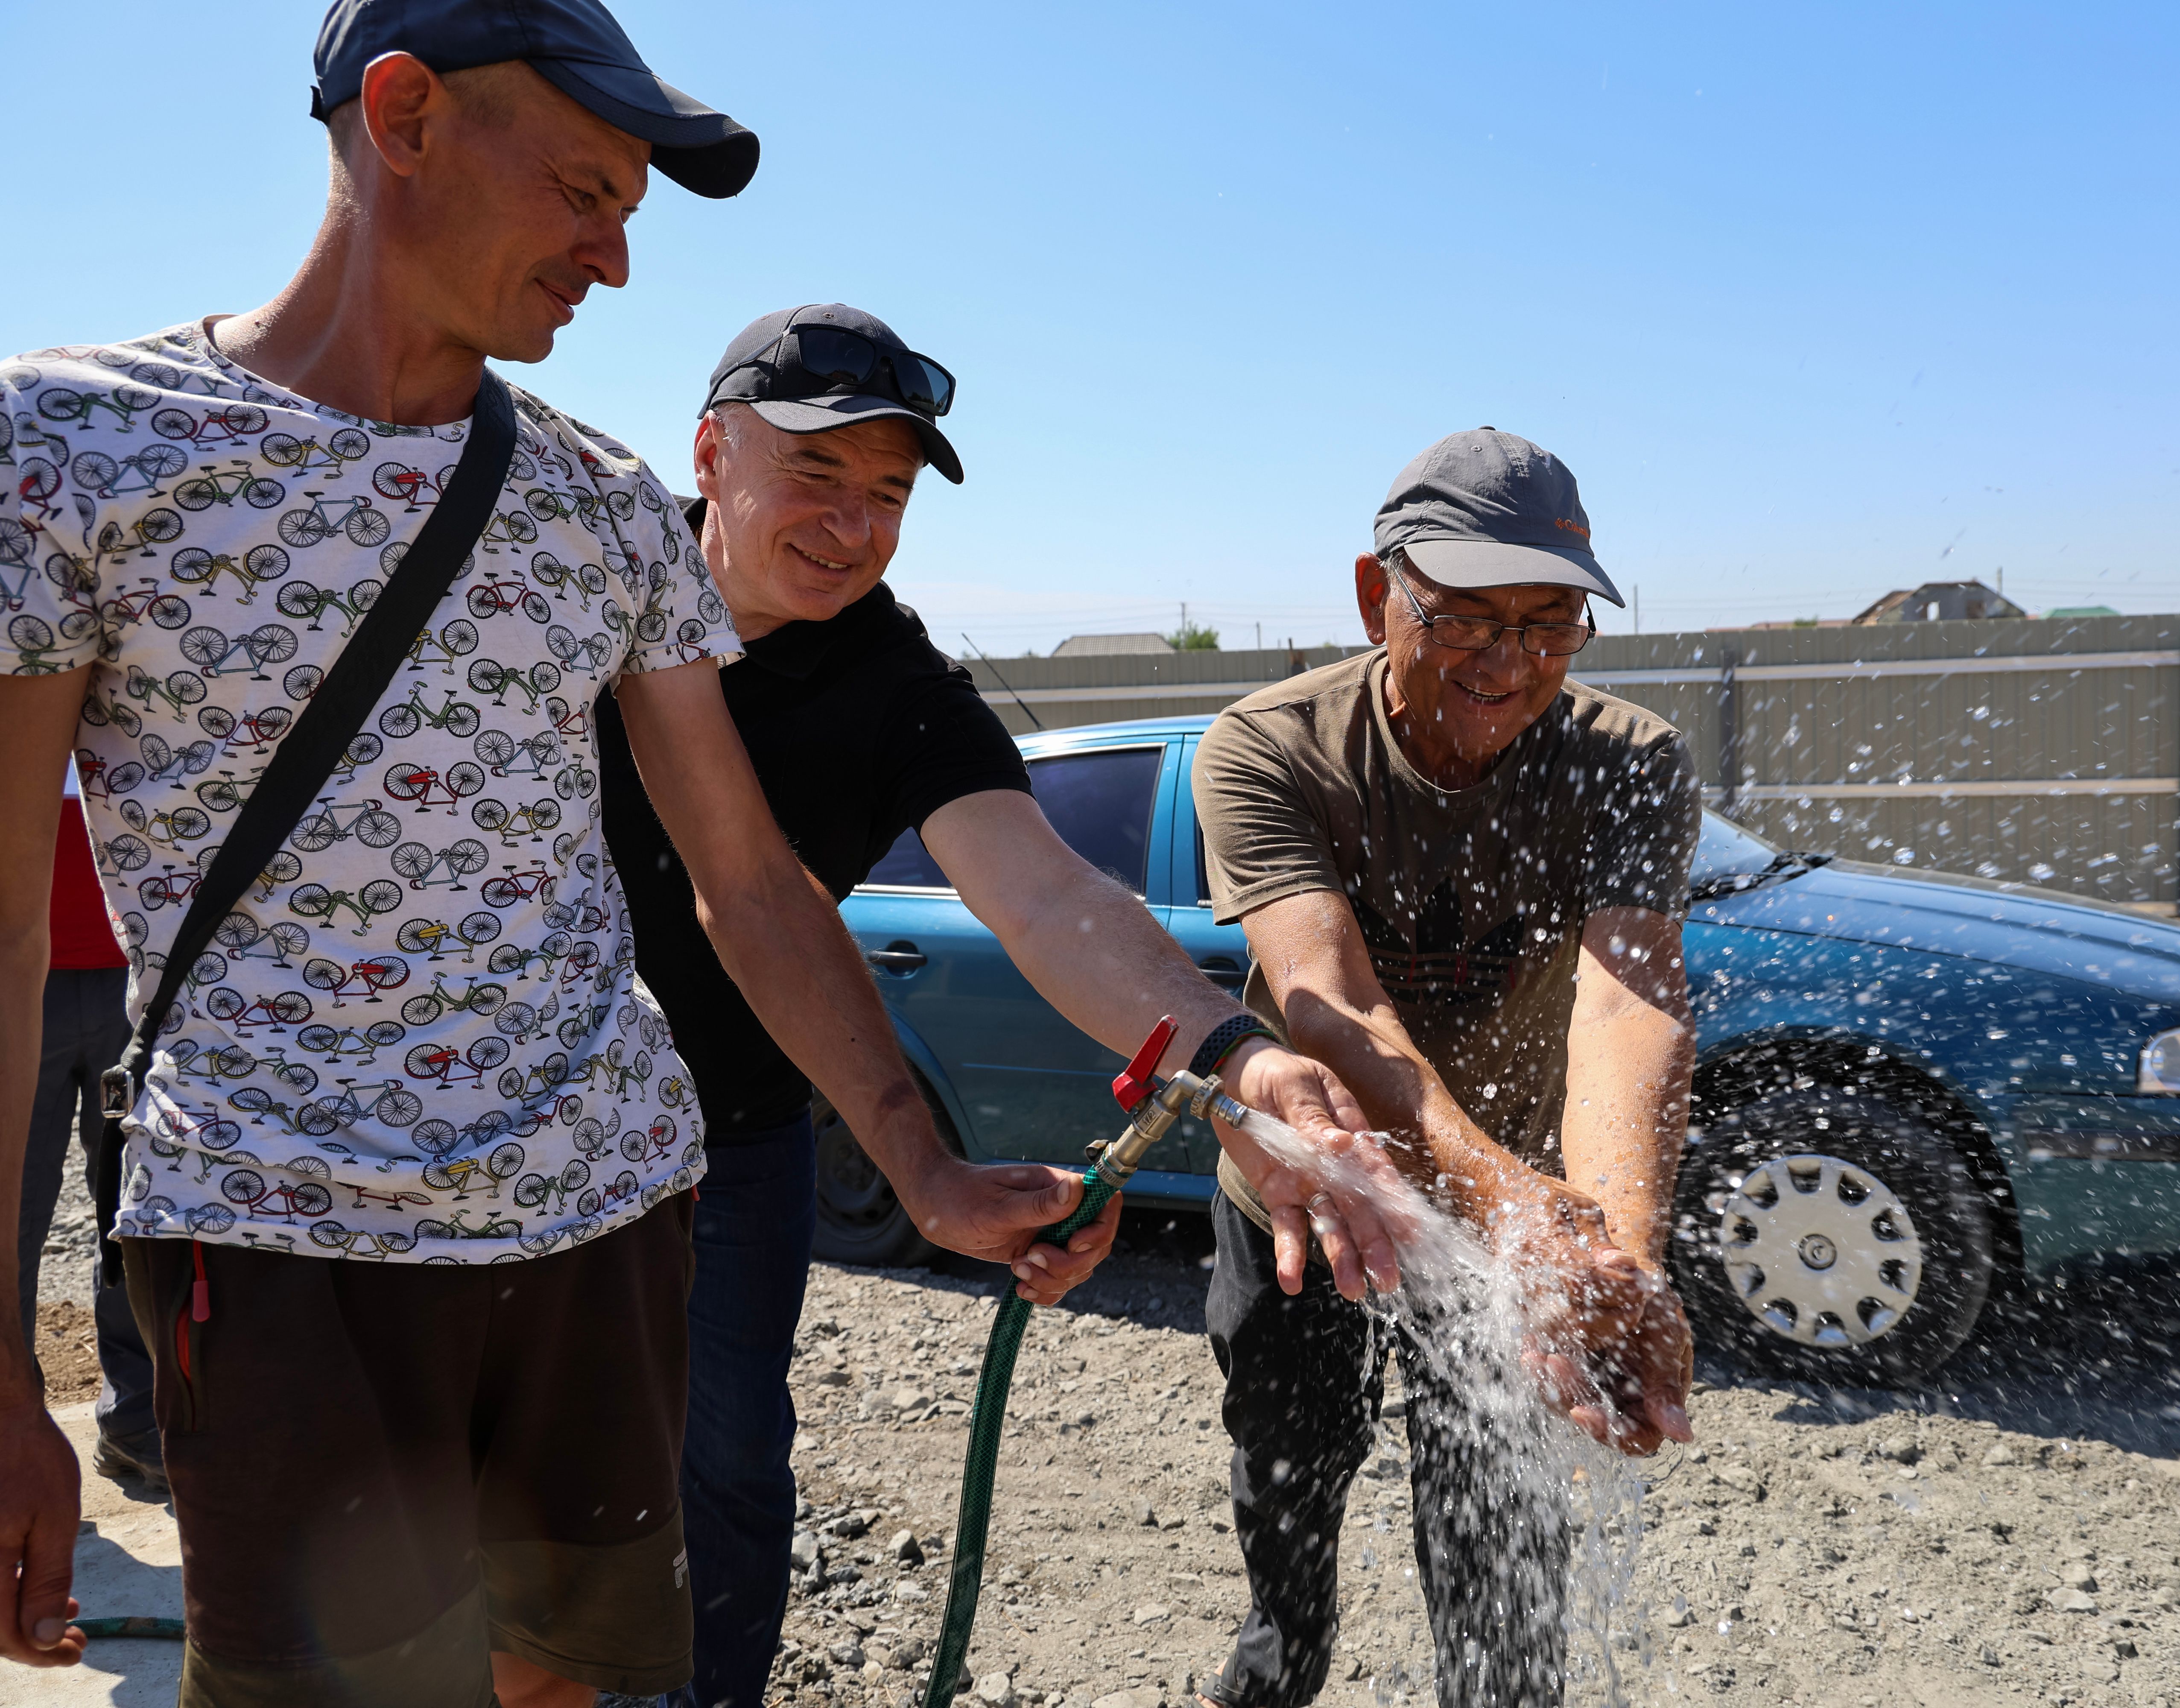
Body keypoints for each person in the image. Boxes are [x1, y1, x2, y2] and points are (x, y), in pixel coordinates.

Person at [0, 4, 1134, 1699]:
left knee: (560, 1682)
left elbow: (746, 879)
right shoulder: (74, 448)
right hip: (284, 1247)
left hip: (605, 1223)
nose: (614, 262)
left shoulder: (600, 504)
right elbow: (11, 931)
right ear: (403, 117)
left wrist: (922, 1162)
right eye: (588, 191)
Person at [595, 303, 1411, 1708]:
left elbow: (1045, 896)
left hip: (733, 1133)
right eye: (816, 478)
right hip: (493, 1107)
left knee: (719, 1486)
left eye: (889, 496)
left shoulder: (894, 686)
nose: (853, 528)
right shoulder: (574, 583)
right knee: (475, 1488)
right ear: (710, 454)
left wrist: (1238, 1058)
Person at [1190, 428, 1703, 1708]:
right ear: (1380, 596)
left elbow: (1626, 1003)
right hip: (1314, 1201)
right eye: (1470, 618)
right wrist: (1526, 1209)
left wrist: (1615, 1261)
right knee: (1288, 1487)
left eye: (1551, 624)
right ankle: (1276, 1671)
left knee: (1501, 1561)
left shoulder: (1628, 759)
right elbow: (1336, 1003)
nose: (1511, 661)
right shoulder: (1271, 747)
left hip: (1518, 1232)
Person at [12, 760, 157, 1488]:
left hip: (132, 983)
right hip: (13, 981)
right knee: (10, 1221)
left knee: (134, 1218)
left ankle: (139, 1423)